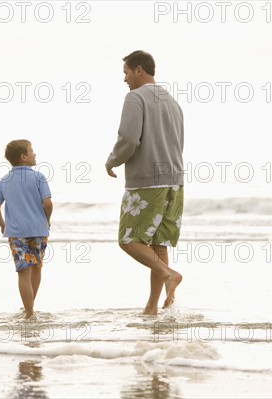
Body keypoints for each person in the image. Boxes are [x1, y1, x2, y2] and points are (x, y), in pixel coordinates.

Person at [105, 50, 185, 316]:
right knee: (158, 245)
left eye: (126, 73)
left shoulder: (135, 98)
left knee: (128, 240)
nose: (125, 79)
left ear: (139, 70)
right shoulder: (172, 101)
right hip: (174, 181)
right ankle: (152, 307)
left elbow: (129, 138)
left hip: (147, 182)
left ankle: (168, 274)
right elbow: (178, 142)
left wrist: (112, 161)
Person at [0, 139, 53, 319]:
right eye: (32, 151)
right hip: (39, 229)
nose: (35, 154)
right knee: (36, 267)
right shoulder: (39, 177)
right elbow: (48, 203)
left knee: (22, 271)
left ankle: (29, 311)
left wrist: (3, 225)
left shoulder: (4, 181)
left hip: (16, 233)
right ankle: (30, 307)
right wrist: (47, 220)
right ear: (23, 157)